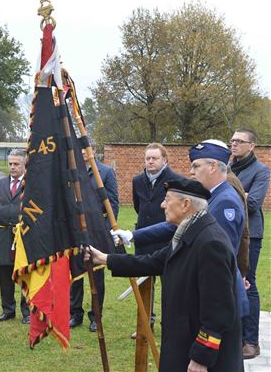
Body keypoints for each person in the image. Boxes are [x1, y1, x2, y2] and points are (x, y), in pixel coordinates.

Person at [89, 178, 243, 371]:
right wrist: (104, 259)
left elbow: (218, 308)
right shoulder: (189, 232)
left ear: (185, 204)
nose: (162, 204)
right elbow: (153, 261)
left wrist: (202, 357)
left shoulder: (210, 243)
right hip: (183, 340)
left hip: (202, 356)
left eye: (167, 199)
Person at [114, 140, 249, 320]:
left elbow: (221, 257)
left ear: (213, 167)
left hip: (217, 301)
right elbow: (176, 225)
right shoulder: (211, 196)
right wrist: (133, 235)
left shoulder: (224, 202)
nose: (191, 172)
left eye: (196, 166)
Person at [129, 142, 183, 338]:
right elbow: (138, 205)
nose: (150, 162)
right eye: (147, 158)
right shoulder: (137, 180)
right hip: (143, 238)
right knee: (144, 284)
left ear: (164, 160)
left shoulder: (176, 180)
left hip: (168, 238)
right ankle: (145, 323)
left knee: (170, 283)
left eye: (154, 158)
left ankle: (169, 324)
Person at [70, 140, 119, 332]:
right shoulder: (72, 171)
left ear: (93, 150)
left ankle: (95, 316)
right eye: (79, 149)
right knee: (75, 272)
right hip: (75, 230)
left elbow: (112, 203)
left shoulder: (105, 172)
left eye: (85, 149)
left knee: (96, 275)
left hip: (97, 230)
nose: (81, 153)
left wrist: (107, 230)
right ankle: (75, 313)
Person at [230, 128, 270, 359]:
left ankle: (250, 341)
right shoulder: (226, 167)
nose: (234, 144)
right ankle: (231, 334)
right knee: (227, 281)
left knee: (248, 283)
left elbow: (253, 204)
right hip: (227, 232)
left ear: (251, 146)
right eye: (232, 140)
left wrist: (231, 191)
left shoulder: (261, 171)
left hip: (250, 234)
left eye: (239, 141)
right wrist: (240, 193)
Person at [0, 149, 30, 324]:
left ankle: (27, 312)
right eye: (10, 164)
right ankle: (7, 310)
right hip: (3, 235)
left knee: (24, 272)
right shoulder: (0, 184)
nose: (12, 167)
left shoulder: (31, 184)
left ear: (24, 165)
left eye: (16, 164)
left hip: (24, 236)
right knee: (4, 273)